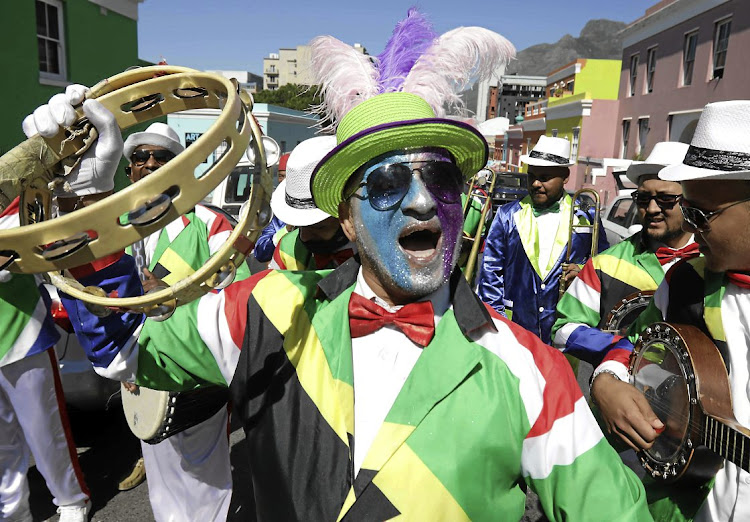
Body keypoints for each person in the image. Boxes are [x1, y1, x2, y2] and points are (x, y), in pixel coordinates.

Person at [44, 11, 650, 521]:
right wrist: (89, 207)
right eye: (386, 181)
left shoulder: (532, 372)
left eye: (437, 177)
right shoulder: (263, 306)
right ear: (348, 218)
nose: (419, 201)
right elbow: (124, 354)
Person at [590, 100, 750, 521]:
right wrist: (608, 379)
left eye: (702, 213)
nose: (692, 226)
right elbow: (636, 342)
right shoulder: (683, 281)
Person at [552, 141, 697, 366]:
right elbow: (563, 331)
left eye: (666, 199)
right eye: (643, 198)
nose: (651, 209)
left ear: (690, 199)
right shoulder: (604, 265)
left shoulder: (716, 262)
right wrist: (622, 347)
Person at [477, 135, 609, 345]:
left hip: (564, 328)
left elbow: (603, 265)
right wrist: (498, 324)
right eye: (532, 176)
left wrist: (583, 269)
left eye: (545, 177)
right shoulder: (506, 215)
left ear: (565, 177)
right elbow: (491, 274)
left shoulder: (587, 215)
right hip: (516, 329)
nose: (536, 183)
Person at [268, 136, 356, 271]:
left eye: (319, 227)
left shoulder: (378, 249)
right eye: (301, 226)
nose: (304, 237)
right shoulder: (288, 249)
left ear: (348, 214)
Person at [254, 152, 291, 264]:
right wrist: (286, 231)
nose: (284, 181)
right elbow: (260, 252)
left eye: (288, 176)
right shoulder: (275, 211)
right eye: (281, 176)